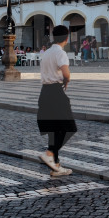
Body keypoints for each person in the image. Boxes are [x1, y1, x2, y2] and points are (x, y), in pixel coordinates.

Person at [37, 25, 75, 177]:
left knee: (54, 130)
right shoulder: (60, 53)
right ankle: (49, 153)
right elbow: (66, 73)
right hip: (55, 92)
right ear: (67, 38)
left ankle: (56, 166)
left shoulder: (46, 53)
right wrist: (67, 81)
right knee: (69, 127)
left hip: (44, 92)